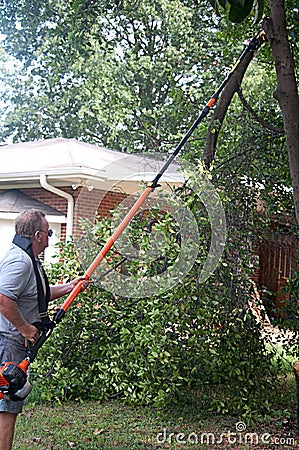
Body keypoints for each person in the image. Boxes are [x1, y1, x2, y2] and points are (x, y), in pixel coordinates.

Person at [0, 209, 88, 450]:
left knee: (8, 404)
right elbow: (2, 298)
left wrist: (71, 286)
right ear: (38, 235)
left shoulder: (29, 259)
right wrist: (26, 328)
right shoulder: (20, 261)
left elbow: (37, 294)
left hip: (12, 341)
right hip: (9, 341)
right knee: (7, 405)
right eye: (48, 232)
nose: (50, 236)